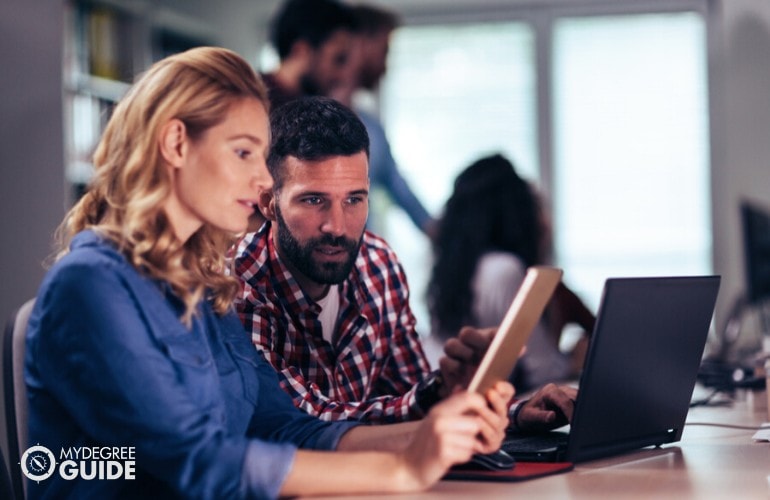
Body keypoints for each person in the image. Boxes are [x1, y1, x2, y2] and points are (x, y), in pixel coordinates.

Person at [23, 47, 514, 499]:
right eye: (243, 153)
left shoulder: (199, 285)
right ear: (175, 143)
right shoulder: (90, 286)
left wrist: (438, 435)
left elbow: (285, 428)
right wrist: (403, 470)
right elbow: (196, 460)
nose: (262, 180)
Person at [234, 96, 576, 431]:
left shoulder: (378, 265)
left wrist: (508, 412)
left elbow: (411, 399)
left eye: (354, 199)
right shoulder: (237, 286)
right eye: (313, 200)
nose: (337, 227)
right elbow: (302, 422)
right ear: (268, 202)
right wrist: (430, 401)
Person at [427, 153, 596, 393]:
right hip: (468, 396)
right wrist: (574, 360)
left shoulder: (451, 270)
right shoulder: (505, 269)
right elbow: (542, 370)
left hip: (435, 389)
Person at [332, 4, 436, 236]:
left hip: (359, 262)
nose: (385, 66)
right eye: (385, 50)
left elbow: (401, 191)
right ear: (359, 43)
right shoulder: (304, 121)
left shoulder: (372, 128)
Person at [261, 0, 356, 108]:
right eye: (338, 59)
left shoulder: (301, 105)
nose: (343, 75)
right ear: (301, 50)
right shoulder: (256, 103)